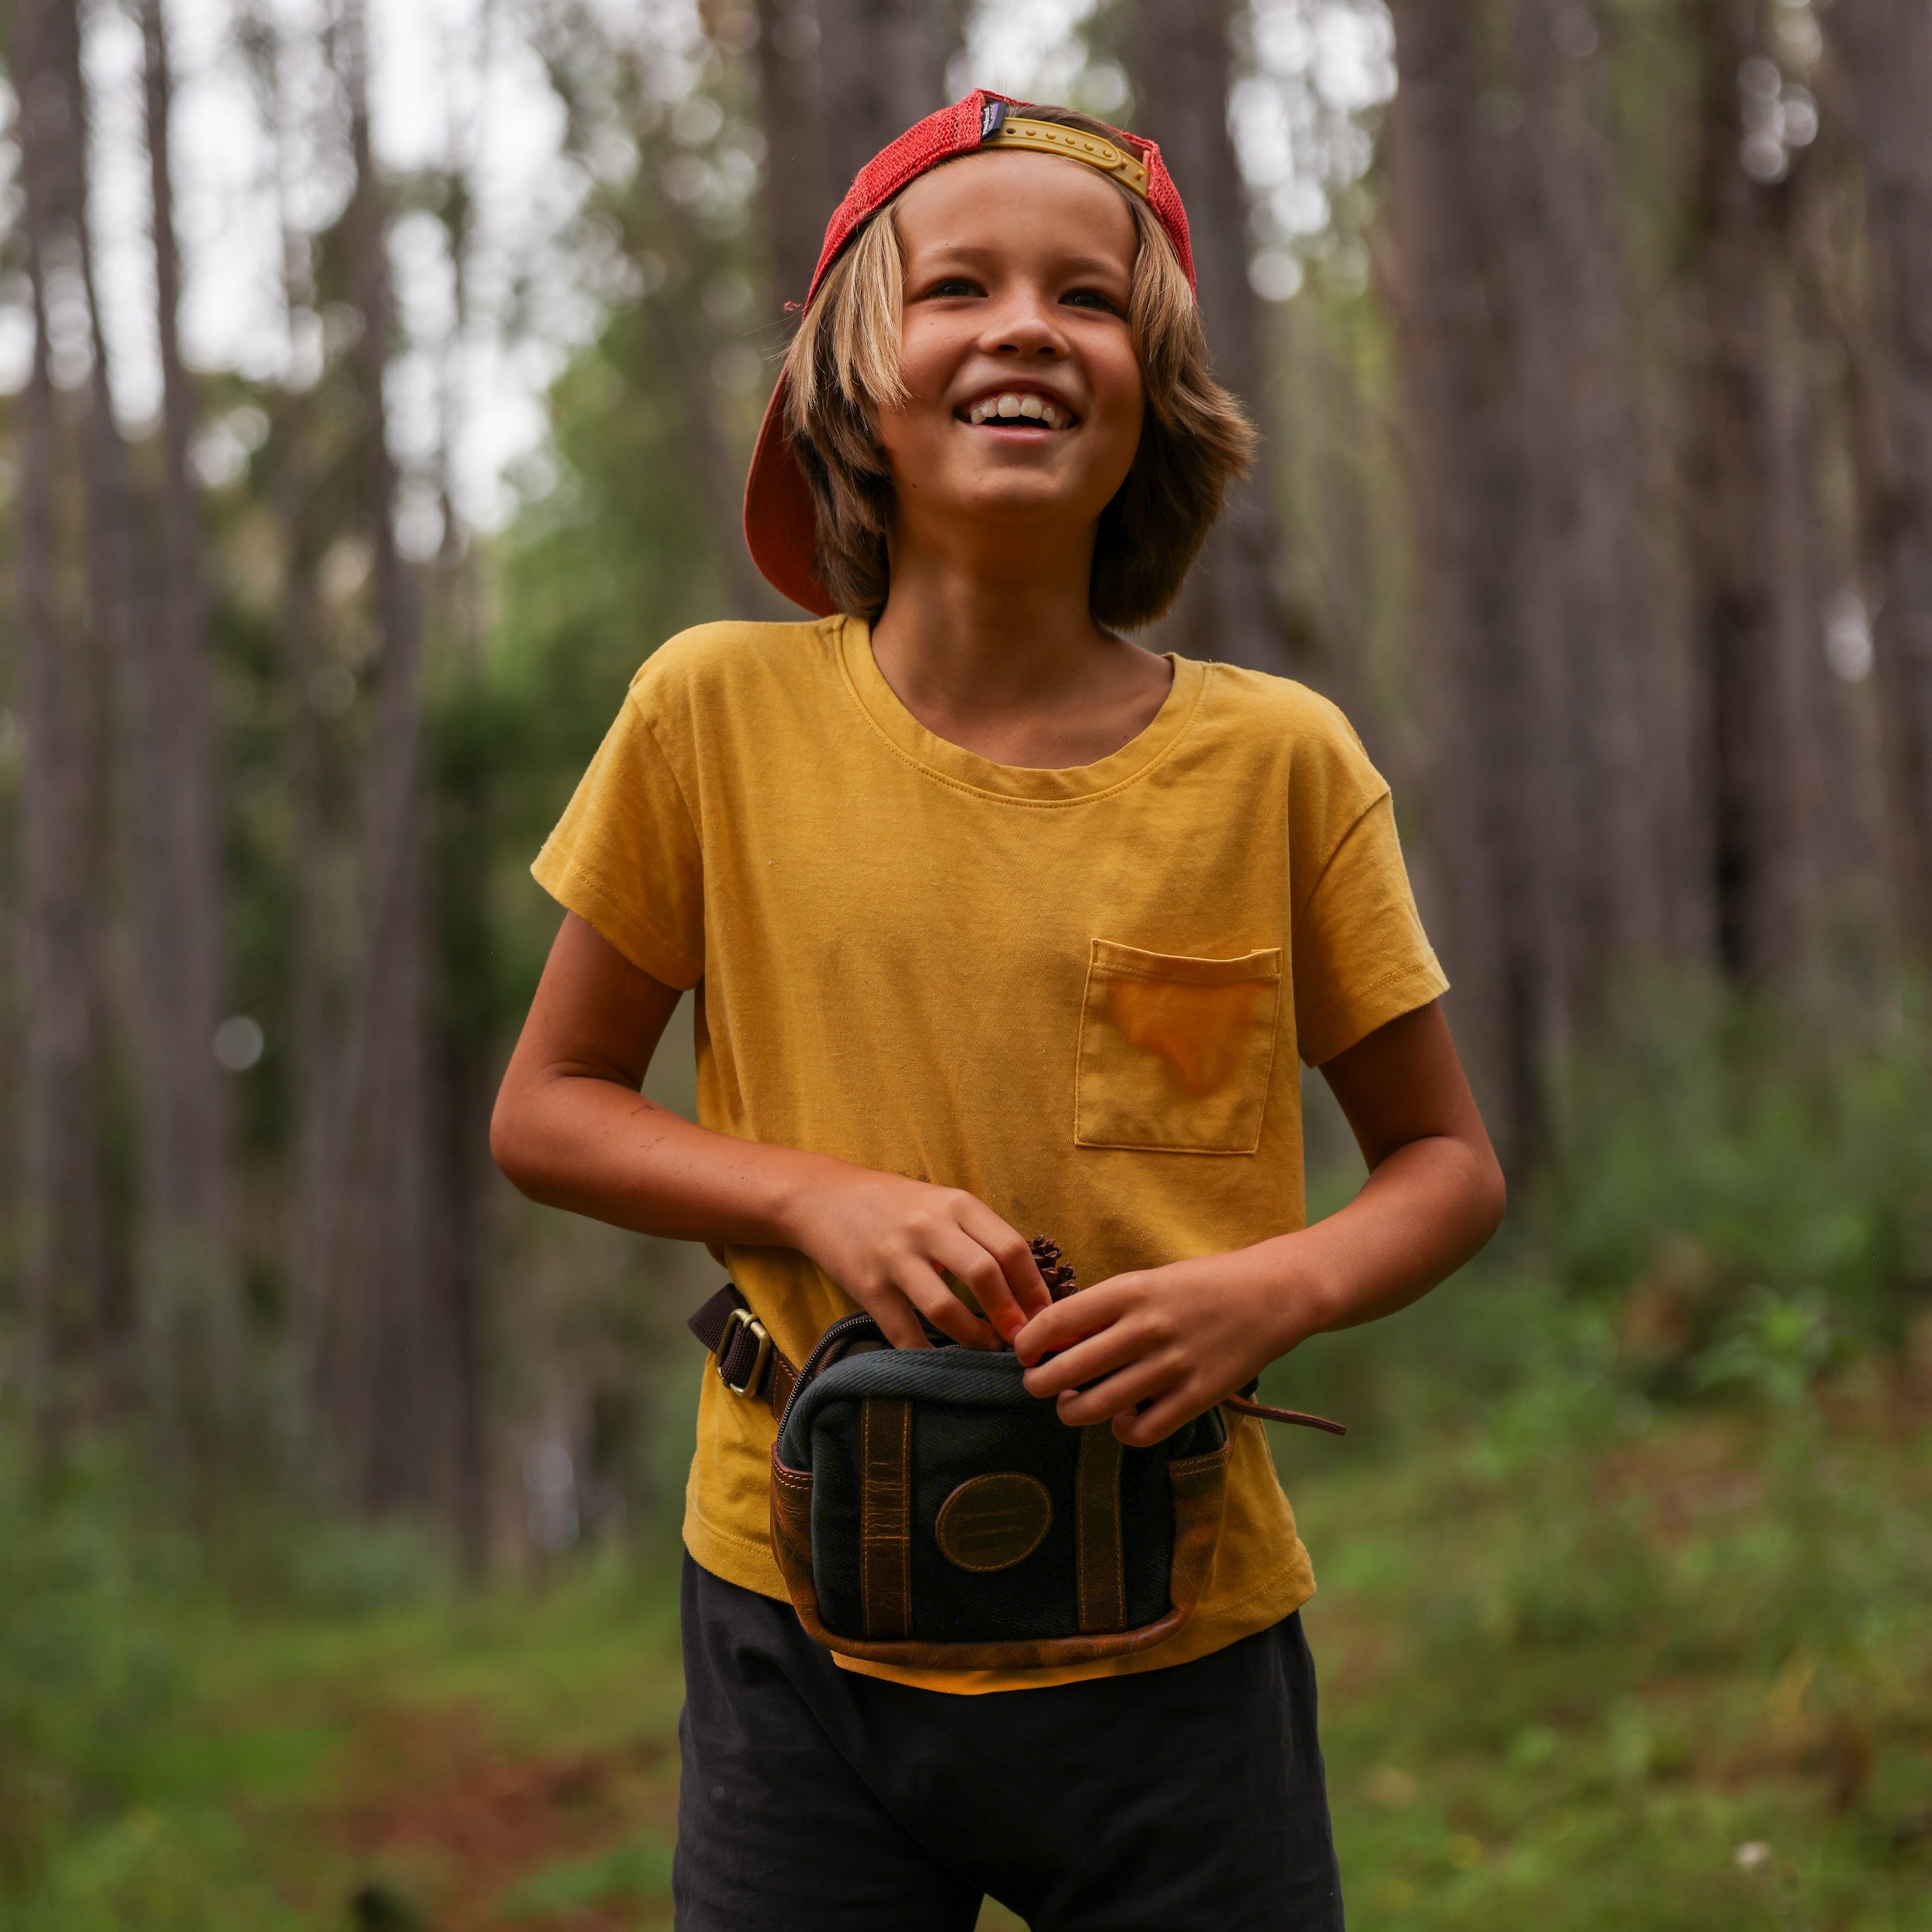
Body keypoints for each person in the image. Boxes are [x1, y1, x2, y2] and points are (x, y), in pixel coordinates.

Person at [492, 90, 1505, 1932]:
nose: (1026, 325)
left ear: (1154, 393)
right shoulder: (709, 716)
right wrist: (813, 1195)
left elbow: (1443, 1160)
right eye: (955, 286)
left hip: (1179, 1641)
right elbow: (546, 1105)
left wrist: (1263, 1286)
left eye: (1090, 298)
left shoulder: (1276, 762)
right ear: (849, 380)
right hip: (799, 1624)